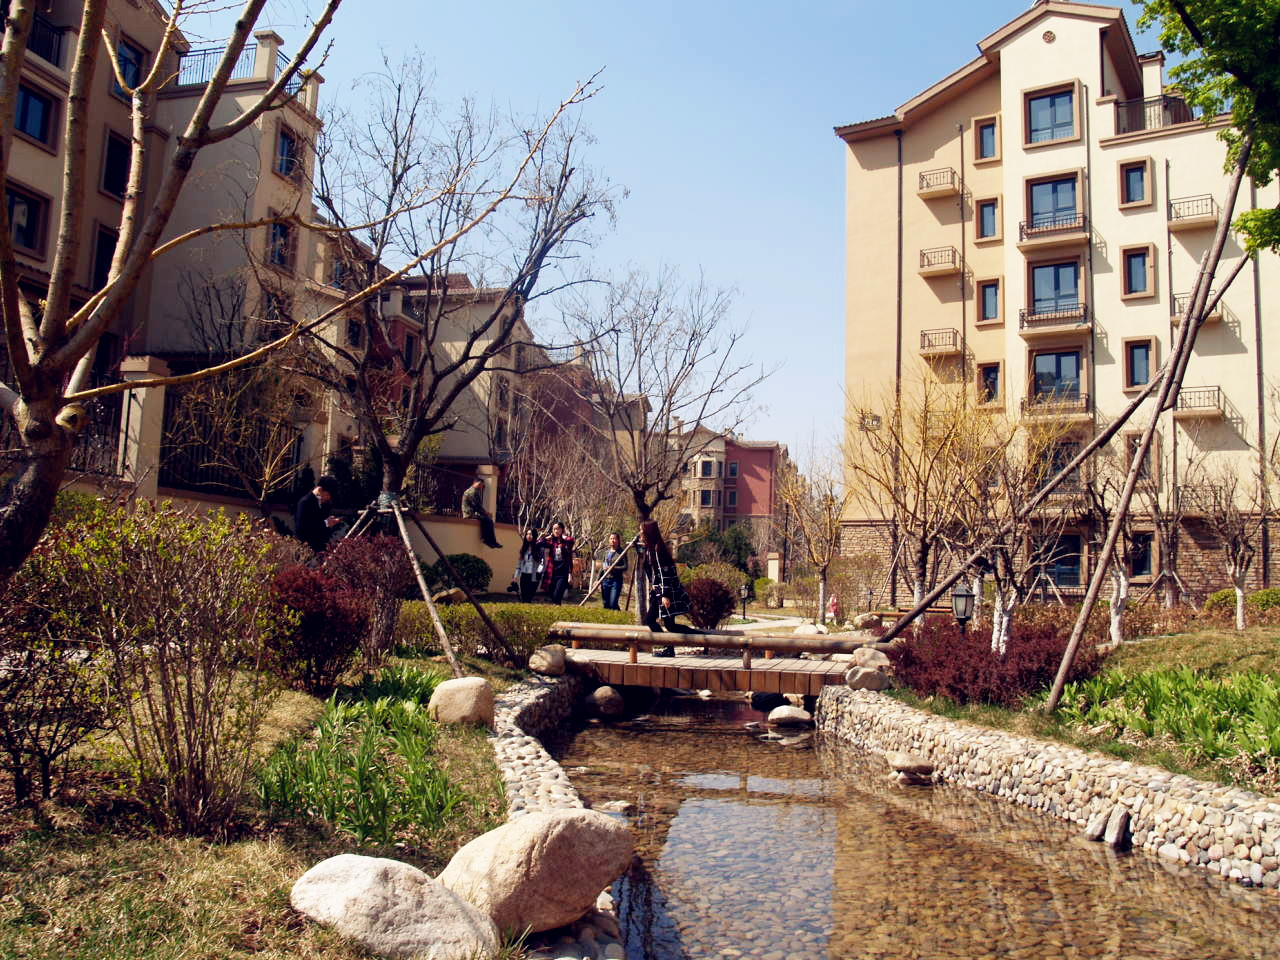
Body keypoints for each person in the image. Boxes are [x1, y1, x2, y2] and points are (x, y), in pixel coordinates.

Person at [639, 519, 691, 653]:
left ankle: (670, 647)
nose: (640, 534)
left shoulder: (657, 550)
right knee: (670, 625)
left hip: (665, 594)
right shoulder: (651, 549)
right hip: (660, 593)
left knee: (651, 620)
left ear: (648, 533)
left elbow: (665, 574)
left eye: (642, 531)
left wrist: (665, 595)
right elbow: (652, 572)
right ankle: (699, 637)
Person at [294, 475, 340, 553]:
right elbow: (301, 528)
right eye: (327, 495)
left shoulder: (323, 505)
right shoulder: (305, 502)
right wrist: (325, 523)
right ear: (320, 490)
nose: (327, 498)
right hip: (306, 550)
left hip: (320, 550)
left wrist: (329, 522)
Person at [538, 522, 575, 604]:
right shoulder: (551, 542)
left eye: (558, 529)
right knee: (551, 594)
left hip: (563, 572)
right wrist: (546, 537)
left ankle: (557, 607)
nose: (556, 531)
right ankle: (557, 608)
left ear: (562, 530)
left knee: (557, 595)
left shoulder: (566, 542)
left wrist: (563, 536)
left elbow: (572, 540)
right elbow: (538, 543)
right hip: (552, 571)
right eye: (554, 529)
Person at [461, 479, 502, 549]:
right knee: (488, 520)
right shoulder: (472, 492)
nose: (480, 486)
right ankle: (490, 541)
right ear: (474, 483)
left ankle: (488, 540)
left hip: (472, 512)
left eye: (481, 485)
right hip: (469, 513)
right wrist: (485, 513)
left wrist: (485, 513)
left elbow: (477, 506)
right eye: (479, 484)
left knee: (486, 520)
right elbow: (477, 506)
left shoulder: (474, 491)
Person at [597, 531, 629, 610]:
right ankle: (608, 617)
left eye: (614, 539)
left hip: (616, 581)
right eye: (611, 538)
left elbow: (625, 567)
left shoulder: (622, 552)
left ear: (618, 540)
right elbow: (603, 567)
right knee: (606, 603)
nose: (612, 540)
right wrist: (598, 580)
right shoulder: (606, 552)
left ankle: (618, 616)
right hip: (605, 580)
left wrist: (612, 568)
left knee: (613, 603)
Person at [512, 528, 542, 603]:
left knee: (529, 598)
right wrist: (515, 577)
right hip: (524, 575)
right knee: (523, 598)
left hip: (533, 576)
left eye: (531, 534)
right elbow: (519, 565)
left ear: (534, 536)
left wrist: (539, 572)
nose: (529, 536)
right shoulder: (523, 549)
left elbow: (542, 563)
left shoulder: (538, 549)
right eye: (527, 534)